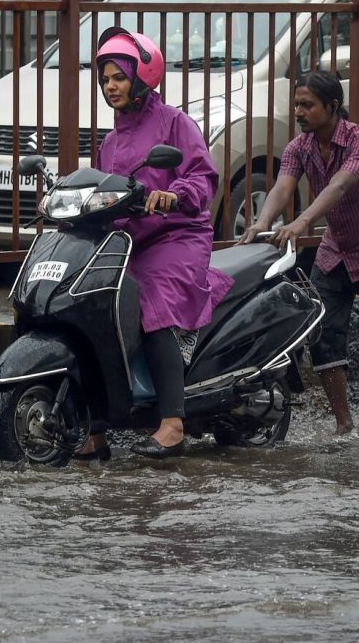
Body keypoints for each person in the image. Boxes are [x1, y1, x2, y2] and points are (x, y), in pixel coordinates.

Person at [239, 71, 359, 436]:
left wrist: (303, 221)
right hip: (336, 251)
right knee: (322, 334)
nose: (299, 112)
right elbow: (283, 186)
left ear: (332, 106)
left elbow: (341, 184)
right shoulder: (300, 146)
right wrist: (261, 222)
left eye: (307, 105)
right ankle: (344, 425)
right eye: (296, 104)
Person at [75, 26, 233, 460]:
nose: (110, 86)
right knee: (93, 308)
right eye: (105, 79)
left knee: (151, 305)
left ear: (143, 77)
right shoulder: (109, 141)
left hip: (177, 234)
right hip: (128, 241)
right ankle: (97, 427)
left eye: (119, 77)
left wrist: (174, 194)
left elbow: (202, 176)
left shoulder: (175, 124)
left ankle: (173, 422)